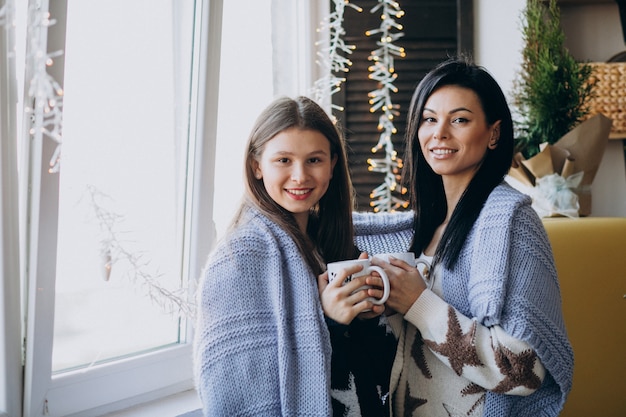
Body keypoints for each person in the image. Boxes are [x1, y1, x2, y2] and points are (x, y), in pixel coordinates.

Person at [352, 57, 574, 417]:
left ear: (494, 134)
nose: (439, 133)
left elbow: (523, 371)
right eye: (429, 119)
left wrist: (418, 304)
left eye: (459, 120)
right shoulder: (422, 230)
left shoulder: (512, 224)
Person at [193, 96, 395, 416]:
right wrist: (327, 320)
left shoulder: (330, 245)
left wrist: (368, 319)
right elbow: (244, 396)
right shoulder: (238, 260)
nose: (300, 176)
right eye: (283, 160)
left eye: (314, 160)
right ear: (256, 166)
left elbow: (375, 371)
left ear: (332, 164)